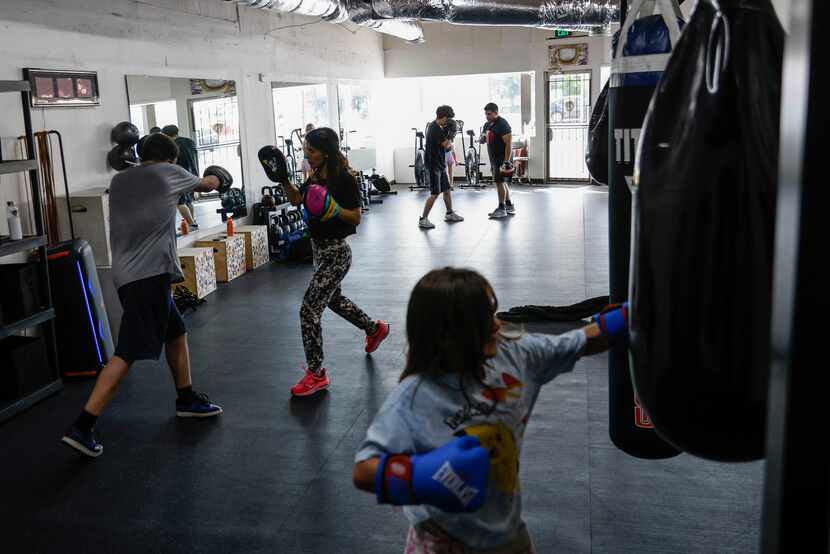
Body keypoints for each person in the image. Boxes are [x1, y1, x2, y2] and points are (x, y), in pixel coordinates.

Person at [352, 268, 625, 552]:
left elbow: (576, 343)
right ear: (450, 332)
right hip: (440, 541)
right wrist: (421, 476)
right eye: (483, 319)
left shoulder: (516, 355)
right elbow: (363, 470)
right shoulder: (415, 396)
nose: (496, 325)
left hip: (507, 536)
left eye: (492, 313)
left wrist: (625, 320)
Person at [61, 133, 227, 458]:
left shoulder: (121, 180)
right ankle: (83, 424)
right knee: (127, 353)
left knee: (176, 332)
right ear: (171, 158)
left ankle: (186, 397)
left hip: (126, 275)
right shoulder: (167, 172)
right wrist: (219, 175)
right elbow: (208, 185)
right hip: (148, 276)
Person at [273, 127, 390, 397]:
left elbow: (356, 217)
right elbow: (296, 199)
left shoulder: (343, 179)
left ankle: (316, 374)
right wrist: (282, 179)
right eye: (306, 151)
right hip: (318, 250)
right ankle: (375, 329)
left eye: (311, 151)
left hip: (337, 253)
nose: (307, 156)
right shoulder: (315, 176)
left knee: (309, 309)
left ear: (325, 153)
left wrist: (335, 209)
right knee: (333, 300)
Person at [419, 106, 464, 229]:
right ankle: (423, 219)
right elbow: (447, 147)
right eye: (448, 119)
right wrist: (451, 135)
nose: (448, 122)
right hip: (434, 165)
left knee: (447, 189)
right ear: (444, 117)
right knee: (434, 193)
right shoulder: (435, 129)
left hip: (439, 163)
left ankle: (449, 213)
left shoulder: (435, 126)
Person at [162, 124, 200, 230]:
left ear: (166, 135)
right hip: (192, 173)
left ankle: (191, 224)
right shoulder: (189, 141)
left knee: (180, 202)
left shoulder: (172, 145)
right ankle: (192, 221)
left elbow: (172, 161)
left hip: (180, 175)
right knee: (188, 201)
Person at [482, 103, 516, 219]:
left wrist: (506, 161)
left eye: (489, 114)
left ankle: (501, 208)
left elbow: (509, 144)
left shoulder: (503, 124)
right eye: (486, 114)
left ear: (496, 113)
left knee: (499, 182)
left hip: (502, 159)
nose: (487, 116)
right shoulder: (488, 124)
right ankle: (509, 205)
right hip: (494, 158)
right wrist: (482, 138)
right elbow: (485, 136)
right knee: (501, 182)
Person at [444, 119, 458, 188]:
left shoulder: (451, 136)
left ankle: (451, 184)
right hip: (445, 154)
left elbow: (452, 149)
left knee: (450, 170)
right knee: (446, 170)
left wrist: (455, 160)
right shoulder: (445, 132)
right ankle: (448, 184)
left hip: (449, 153)